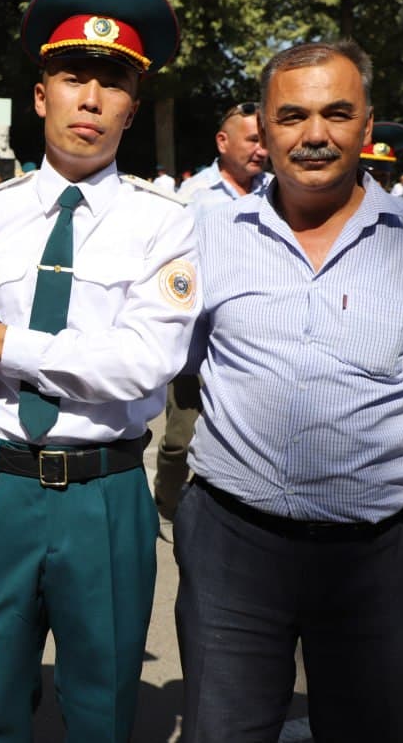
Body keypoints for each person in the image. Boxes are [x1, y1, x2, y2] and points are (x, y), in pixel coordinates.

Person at [176, 40, 403, 743]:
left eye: (336, 113)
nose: (315, 134)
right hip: (232, 548)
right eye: (292, 115)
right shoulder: (203, 235)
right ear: (264, 129)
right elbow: (153, 358)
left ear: (366, 123)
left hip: (377, 557)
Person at [0, 0, 197, 741]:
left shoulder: (165, 222)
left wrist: (3, 342)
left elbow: (144, 360)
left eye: (112, 83)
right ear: (40, 95)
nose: (91, 98)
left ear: (131, 108)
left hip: (105, 494)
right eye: (73, 77)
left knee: (102, 709)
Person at [154, 101, 269, 535]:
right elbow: (170, 270)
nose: (261, 150)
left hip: (256, 340)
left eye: (265, 140)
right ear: (223, 142)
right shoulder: (193, 197)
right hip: (198, 339)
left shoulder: (278, 192)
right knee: (180, 438)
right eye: (253, 140)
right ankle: (167, 504)